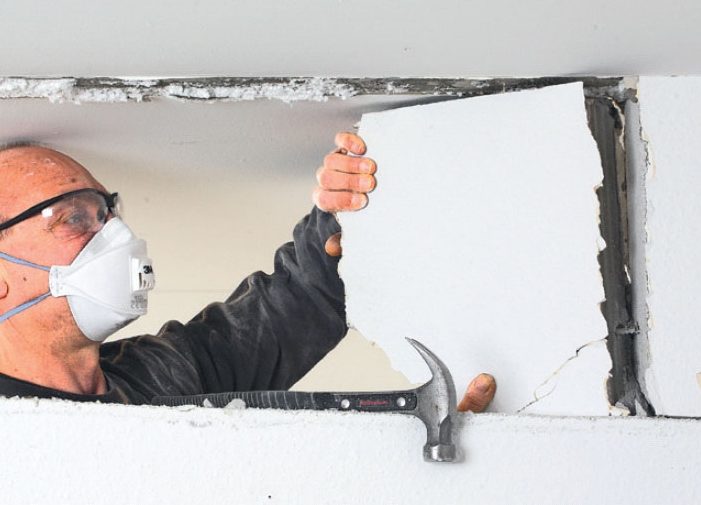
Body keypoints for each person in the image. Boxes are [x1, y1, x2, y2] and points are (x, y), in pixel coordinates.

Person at [0, 132, 495, 412]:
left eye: (108, 213)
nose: (116, 236)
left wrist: (342, 211)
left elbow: (299, 304)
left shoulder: (164, 376)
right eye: (73, 218)